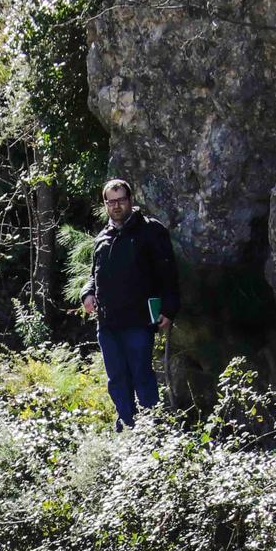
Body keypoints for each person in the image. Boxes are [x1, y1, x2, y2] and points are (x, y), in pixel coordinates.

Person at [82, 179, 180, 427]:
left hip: (138, 320)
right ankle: (126, 425)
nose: (116, 206)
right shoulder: (103, 237)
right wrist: (88, 293)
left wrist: (169, 309)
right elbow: (94, 274)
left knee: (142, 376)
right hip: (108, 322)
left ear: (130, 201)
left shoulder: (150, 231)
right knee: (116, 378)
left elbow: (168, 273)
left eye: (121, 200)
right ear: (105, 204)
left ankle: (151, 431)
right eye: (111, 201)